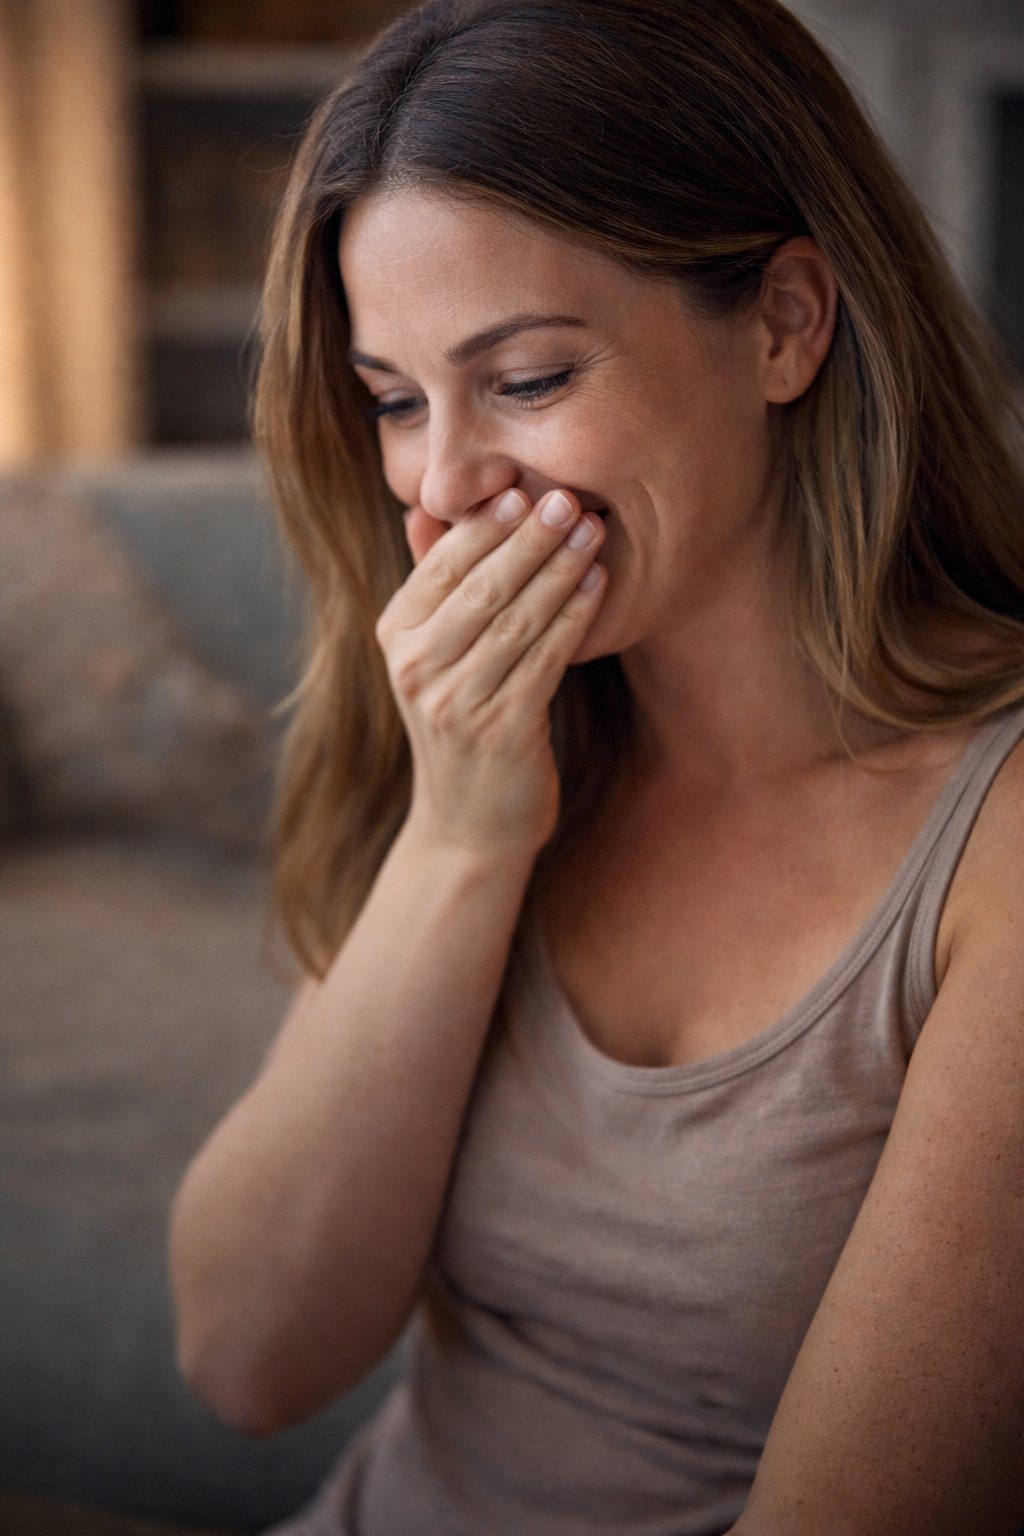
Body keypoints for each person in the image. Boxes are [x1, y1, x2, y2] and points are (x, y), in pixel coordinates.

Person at [167, 0, 1024, 1531]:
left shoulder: (996, 847)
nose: (444, 484)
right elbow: (246, 1359)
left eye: (531, 378)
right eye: (394, 401)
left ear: (783, 324)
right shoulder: (502, 738)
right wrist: (458, 839)